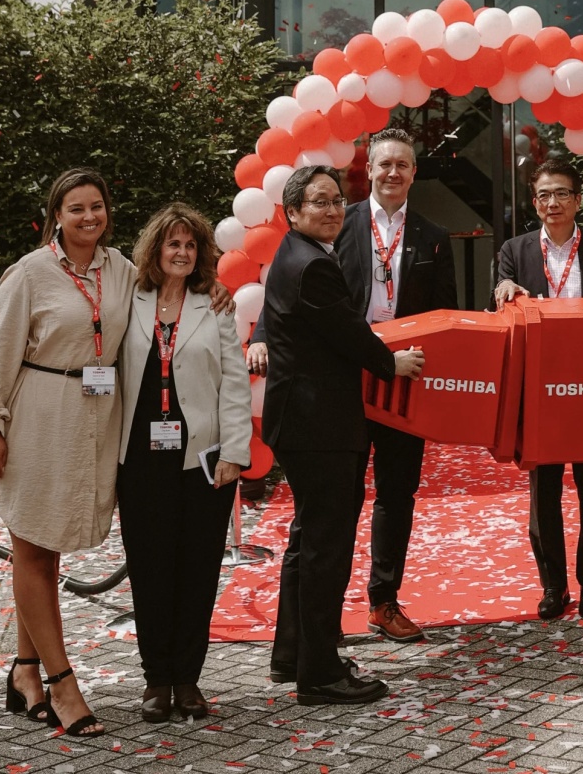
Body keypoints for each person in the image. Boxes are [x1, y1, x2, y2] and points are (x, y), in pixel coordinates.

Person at [248, 128, 456, 643]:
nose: (393, 173)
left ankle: (384, 601)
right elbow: (290, 281)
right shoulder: (338, 219)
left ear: (413, 172)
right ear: (371, 169)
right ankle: (321, 616)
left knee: (396, 493)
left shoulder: (434, 236)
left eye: (403, 165)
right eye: (384, 164)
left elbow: (448, 314)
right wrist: (260, 334)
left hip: (403, 378)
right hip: (343, 376)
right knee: (331, 507)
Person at [0, 168, 131, 737]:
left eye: (98, 207)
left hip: (90, 418)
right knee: (33, 551)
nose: (89, 217)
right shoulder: (31, 274)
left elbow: (165, 303)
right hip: (36, 415)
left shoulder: (122, 269)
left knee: (46, 551)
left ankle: (25, 671)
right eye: (76, 208)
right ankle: (63, 685)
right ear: (55, 216)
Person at [261, 165, 424, 705]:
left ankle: (292, 654)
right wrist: (391, 363)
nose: (332, 211)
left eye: (336, 201)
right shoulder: (312, 266)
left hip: (303, 421)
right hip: (320, 425)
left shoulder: (297, 254)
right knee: (326, 547)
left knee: (308, 540)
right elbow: (350, 335)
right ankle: (321, 673)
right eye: (319, 203)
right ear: (294, 212)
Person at [116, 203, 252, 723]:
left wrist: (235, 454)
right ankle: (156, 680)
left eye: (190, 245)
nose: (182, 252)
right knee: (150, 569)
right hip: (141, 463)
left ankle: (189, 680)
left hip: (203, 462)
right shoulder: (130, 300)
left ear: (201, 255)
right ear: (156, 250)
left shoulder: (214, 304)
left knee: (197, 570)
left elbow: (234, 385)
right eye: (173, 243)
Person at [493, 159, 583, 621]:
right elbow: (499, 312)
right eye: (544, 196)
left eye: (562, 194)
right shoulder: (514, 250)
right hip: (538, 389)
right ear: (535, 202)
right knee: (543, 490)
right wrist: (503, 289)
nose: (552, 203)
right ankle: (553, 586)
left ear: (578, 199)